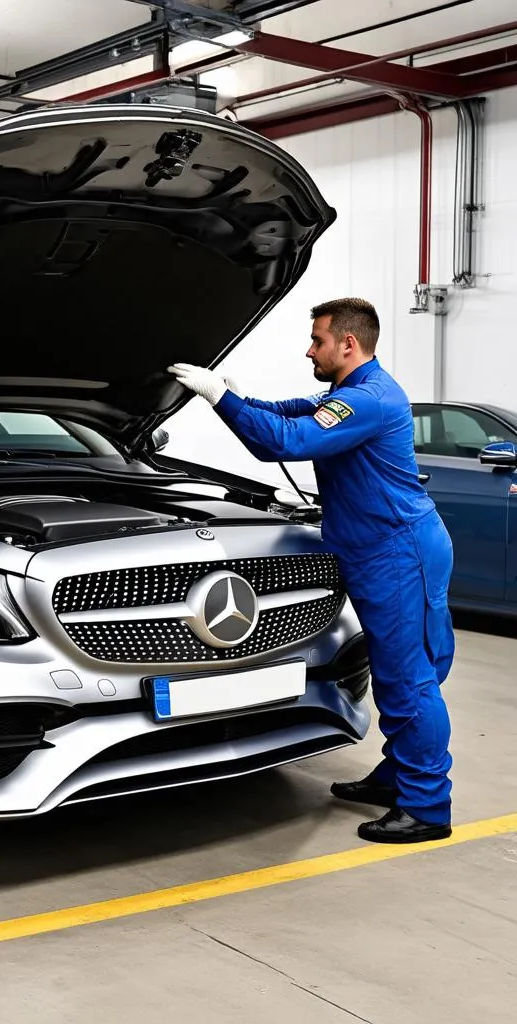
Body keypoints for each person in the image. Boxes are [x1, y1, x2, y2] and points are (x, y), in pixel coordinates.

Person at [169, 298, 455, 844]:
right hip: (377, 549)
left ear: (348, 344)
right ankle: (398, 779)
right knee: (400, 673)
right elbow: (286, 414)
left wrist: (219, 398)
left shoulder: (367, 401)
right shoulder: (344, 396)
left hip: (399, 553)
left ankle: (426, 807)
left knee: (409, 677)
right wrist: (231, 391)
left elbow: (285, 442)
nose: (309, 349)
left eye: (317, 340)